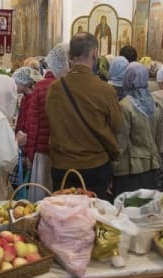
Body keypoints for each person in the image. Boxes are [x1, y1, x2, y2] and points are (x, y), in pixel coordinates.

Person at [46, 32, 123, 199]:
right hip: (95, 167)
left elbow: (51, 123)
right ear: (95, 53)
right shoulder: (105, 90)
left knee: (63, 218)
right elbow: (118, 126)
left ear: (70, 55)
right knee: (93, 218)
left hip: (62, 166)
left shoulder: (54, 89)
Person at [23, 43, 70, 202]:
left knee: (41, 197)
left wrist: (30, 154)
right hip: (63, 152)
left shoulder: (40, 86)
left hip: (42, 152)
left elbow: (33, 124)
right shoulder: (68, 86)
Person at [112, 62, 163, 197]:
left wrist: (112, 168)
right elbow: (158, 138)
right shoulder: (156, 104)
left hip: (129, 170)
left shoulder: (125, 106)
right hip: (151, 167)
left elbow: (120, 142)